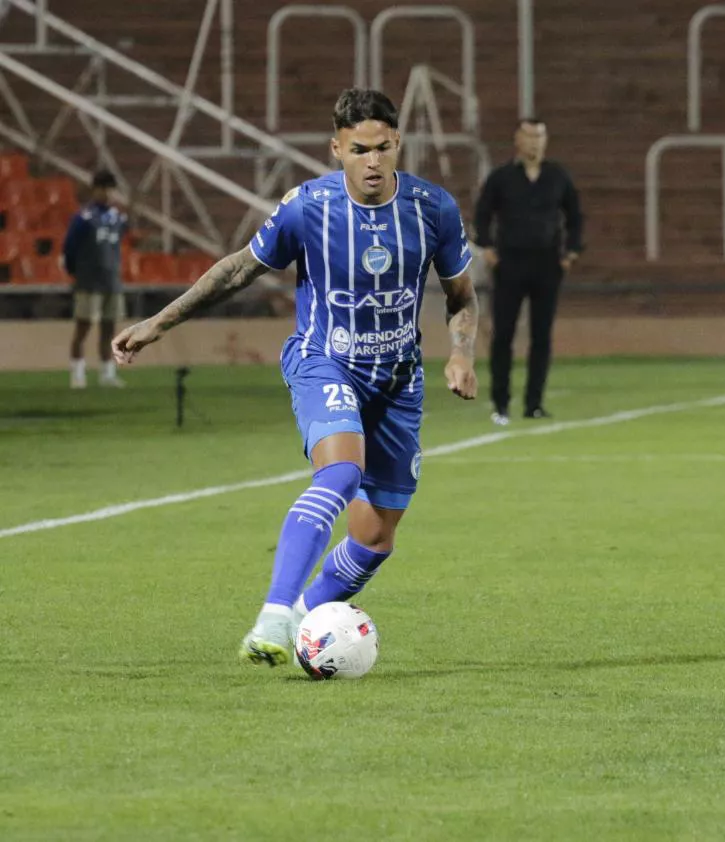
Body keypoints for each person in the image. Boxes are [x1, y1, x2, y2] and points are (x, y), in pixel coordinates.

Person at [111, 88, 479, 666]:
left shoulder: (434, 209)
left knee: (376, 537)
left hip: (398, 380)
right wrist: (160, 321)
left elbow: (462, 297)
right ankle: (275, 616)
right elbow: (238, 270)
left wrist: (462, 353)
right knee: (340, 469)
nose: (374, 162)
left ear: (398, 143)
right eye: (360, 150)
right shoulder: (308, 207)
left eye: (384, 148)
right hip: (323, 360)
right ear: (337, 149)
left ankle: (309, 619)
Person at [473, 117, 584, 425]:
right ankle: (501, 402)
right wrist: (488, 249)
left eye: (539, 136)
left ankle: (534, 403)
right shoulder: (502, 178)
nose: (534, 142)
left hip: (547, 264)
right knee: (503, 334)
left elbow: (575, 216)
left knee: (541, 335)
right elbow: (482, 215)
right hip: (510, 263)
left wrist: (570, 253)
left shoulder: (557, 176)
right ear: (517, 140)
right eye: (529, 136)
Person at [63, 169, 128, 389]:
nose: (108, 193)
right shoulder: (83, 218)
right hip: (88, 280)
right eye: (104, 189)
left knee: (109, 329)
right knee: (83, 326)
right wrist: (76, 273)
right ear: (94, 190)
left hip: (111, 280)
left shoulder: (118, 218)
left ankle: (107, 373)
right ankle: (78, 373)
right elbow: (69, 249)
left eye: (111, 189)